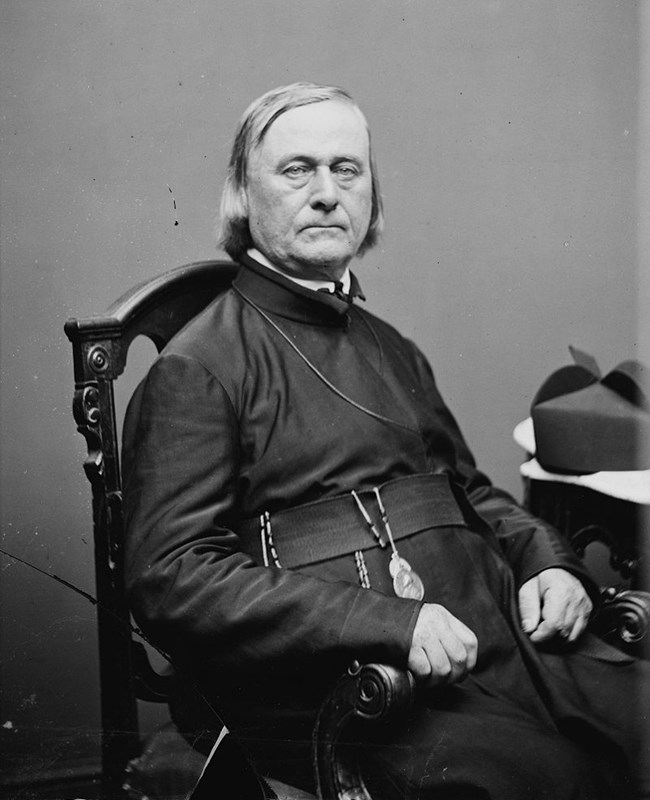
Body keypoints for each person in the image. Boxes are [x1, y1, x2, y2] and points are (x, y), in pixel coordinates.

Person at [122, 82, 646, 799]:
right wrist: (389, 624)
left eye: (348, 169)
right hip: (362, 684)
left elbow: (472, 493)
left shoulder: (390, 346)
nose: (328, 192)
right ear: (245, 194)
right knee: (549, 781)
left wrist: (550, 564)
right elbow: (172, 576)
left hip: (499, 638)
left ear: (372, 195)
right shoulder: (199, 366)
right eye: (297, 169)